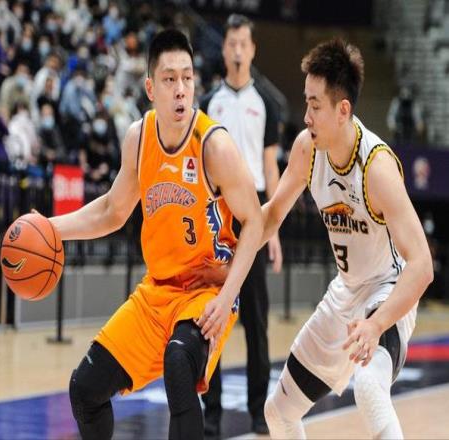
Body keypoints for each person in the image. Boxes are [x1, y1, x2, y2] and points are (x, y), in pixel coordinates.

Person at [48, 29, 263, 440]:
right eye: (169, 79)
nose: (181, 89)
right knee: (85, 390)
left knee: (179, 365)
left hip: (205, 290)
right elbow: (112, 211)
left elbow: (254, 222)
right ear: (150, 88)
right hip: (157, 291)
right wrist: (50, 228)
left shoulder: (214, 145)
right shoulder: (139, 137)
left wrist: (226, 297)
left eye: (187, 78)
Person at [260, 38, 433, 439]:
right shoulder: (307, 149)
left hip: (387, 291)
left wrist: (377, 325)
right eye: (306, 103)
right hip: (346, 292)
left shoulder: (377, 167)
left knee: (369, 387)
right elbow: (271, 217)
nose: (306, 116)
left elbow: (422, 266)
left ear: (342, 110)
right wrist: (229, 252)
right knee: (278, 413)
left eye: (315, 106)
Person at [199, 14, 282, 437]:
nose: (236, 50)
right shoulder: (208, 101)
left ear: (252, 50)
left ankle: (257, 412)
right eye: (230, 43)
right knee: (210, 316)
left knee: (257, 321)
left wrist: (274, 229)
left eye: (242, 44)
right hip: (217, 216)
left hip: (254, 215)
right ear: (224, 47)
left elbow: (270, 167)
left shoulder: (266, 101)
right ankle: (211, 415)